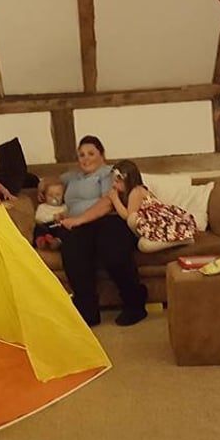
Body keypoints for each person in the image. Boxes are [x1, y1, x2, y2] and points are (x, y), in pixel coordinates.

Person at [57, 136, 147, 327]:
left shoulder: (109, 173)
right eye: (81, 155)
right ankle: (87, 308)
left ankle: (134, 303)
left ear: (102, 155)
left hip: (110, 219)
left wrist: (78, 219)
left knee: (112, 251)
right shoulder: (74, 177)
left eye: (91, 153)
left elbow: (108, 203)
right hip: (82, 225)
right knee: (72, 249)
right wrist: (43, 186)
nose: (85, 159)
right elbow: (55, 180)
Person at [108, 159, 197, 253]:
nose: (114, 185)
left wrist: (115, 199)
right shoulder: (126, 194)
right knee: (143, 245)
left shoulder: (136, 191)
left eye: (117, 182)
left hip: (159, 222)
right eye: (113, 181)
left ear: (128, 181)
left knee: (132, 218)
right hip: (150, 226)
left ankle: (182, 240)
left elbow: (128, 216)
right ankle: (177, 240)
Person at [34, 177, 67, 250]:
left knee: (64, 229)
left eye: (57, 194)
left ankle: (56, 241)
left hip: (58, 226)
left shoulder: (65, 207)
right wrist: (53, 217)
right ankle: (41, 240)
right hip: (47, 227)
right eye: (50, 195)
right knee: (39, 227)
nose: (54, 197)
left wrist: (63, 216)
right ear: (44, 196)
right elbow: (39, 218)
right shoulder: (43, 207)